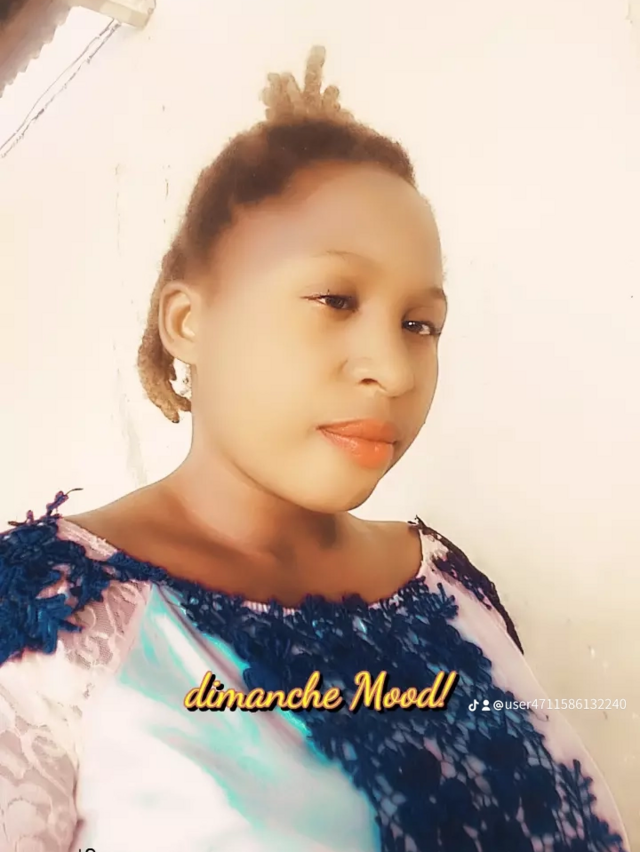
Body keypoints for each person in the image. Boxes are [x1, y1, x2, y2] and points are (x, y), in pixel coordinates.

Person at [0, 46, 630, 852]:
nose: (394, 369)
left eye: (420, 324)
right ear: (189, 322)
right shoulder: (49, 613)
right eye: (335, 299)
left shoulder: (449, 583)